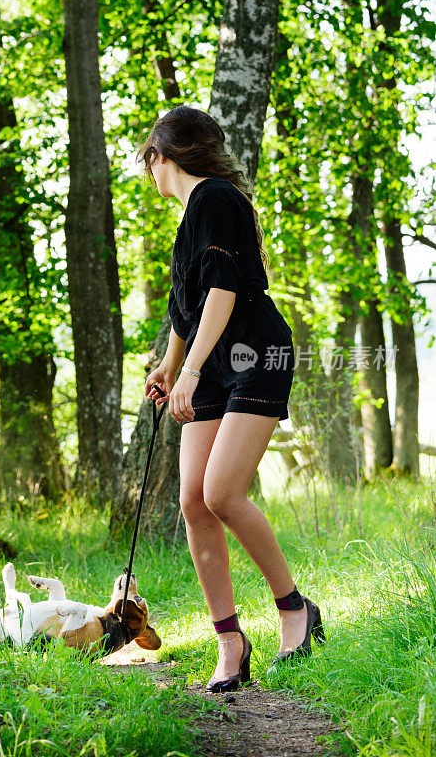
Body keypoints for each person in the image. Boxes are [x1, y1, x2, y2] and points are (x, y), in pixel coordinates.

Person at [140, 106, 325, 693]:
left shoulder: (216, 199)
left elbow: (223, 289)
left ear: (160, 157)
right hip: (210, 364)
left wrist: (192, 369)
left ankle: (295, 609)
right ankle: (230, 641)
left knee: (222, 493)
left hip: (253, 355)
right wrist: (171, 367)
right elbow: (186, 310)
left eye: (148, 161)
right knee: (193, 502)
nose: (149, 171)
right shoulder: (191, 216)